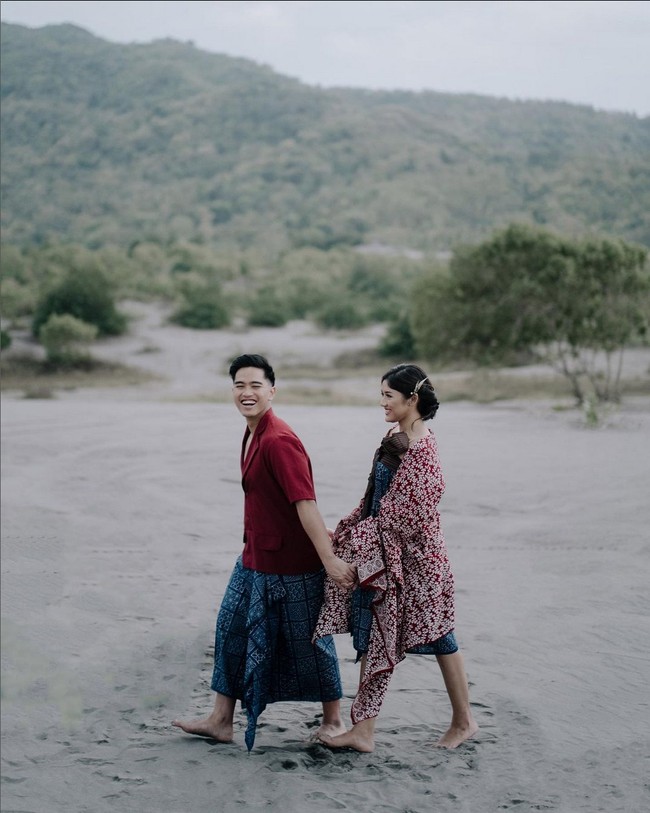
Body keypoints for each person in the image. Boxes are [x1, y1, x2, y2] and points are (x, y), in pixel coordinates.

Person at [173, 353, 357, 750]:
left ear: (272, 391)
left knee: (311, 642)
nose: (247, 392)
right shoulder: (253, 432)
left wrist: (329, 558)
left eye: (255, 385)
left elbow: (304, 501)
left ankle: (334, 721)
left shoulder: (279, 440)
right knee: (230, 628)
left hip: (292, 564)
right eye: (239, 385)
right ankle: (221, 720)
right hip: (255, 556)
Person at [313, 363, 479, 753]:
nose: (382, 403)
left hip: (417, 563)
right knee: (377, 631)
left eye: (389, 395)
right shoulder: (396, 437)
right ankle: (364, 730)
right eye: (382, 395)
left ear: (412, 399)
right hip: (386, 556)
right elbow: (375, 497)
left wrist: (360, 536)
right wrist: (349, 527)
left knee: (438, 636)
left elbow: (403, 518)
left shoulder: (423, 452)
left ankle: (463, 722)